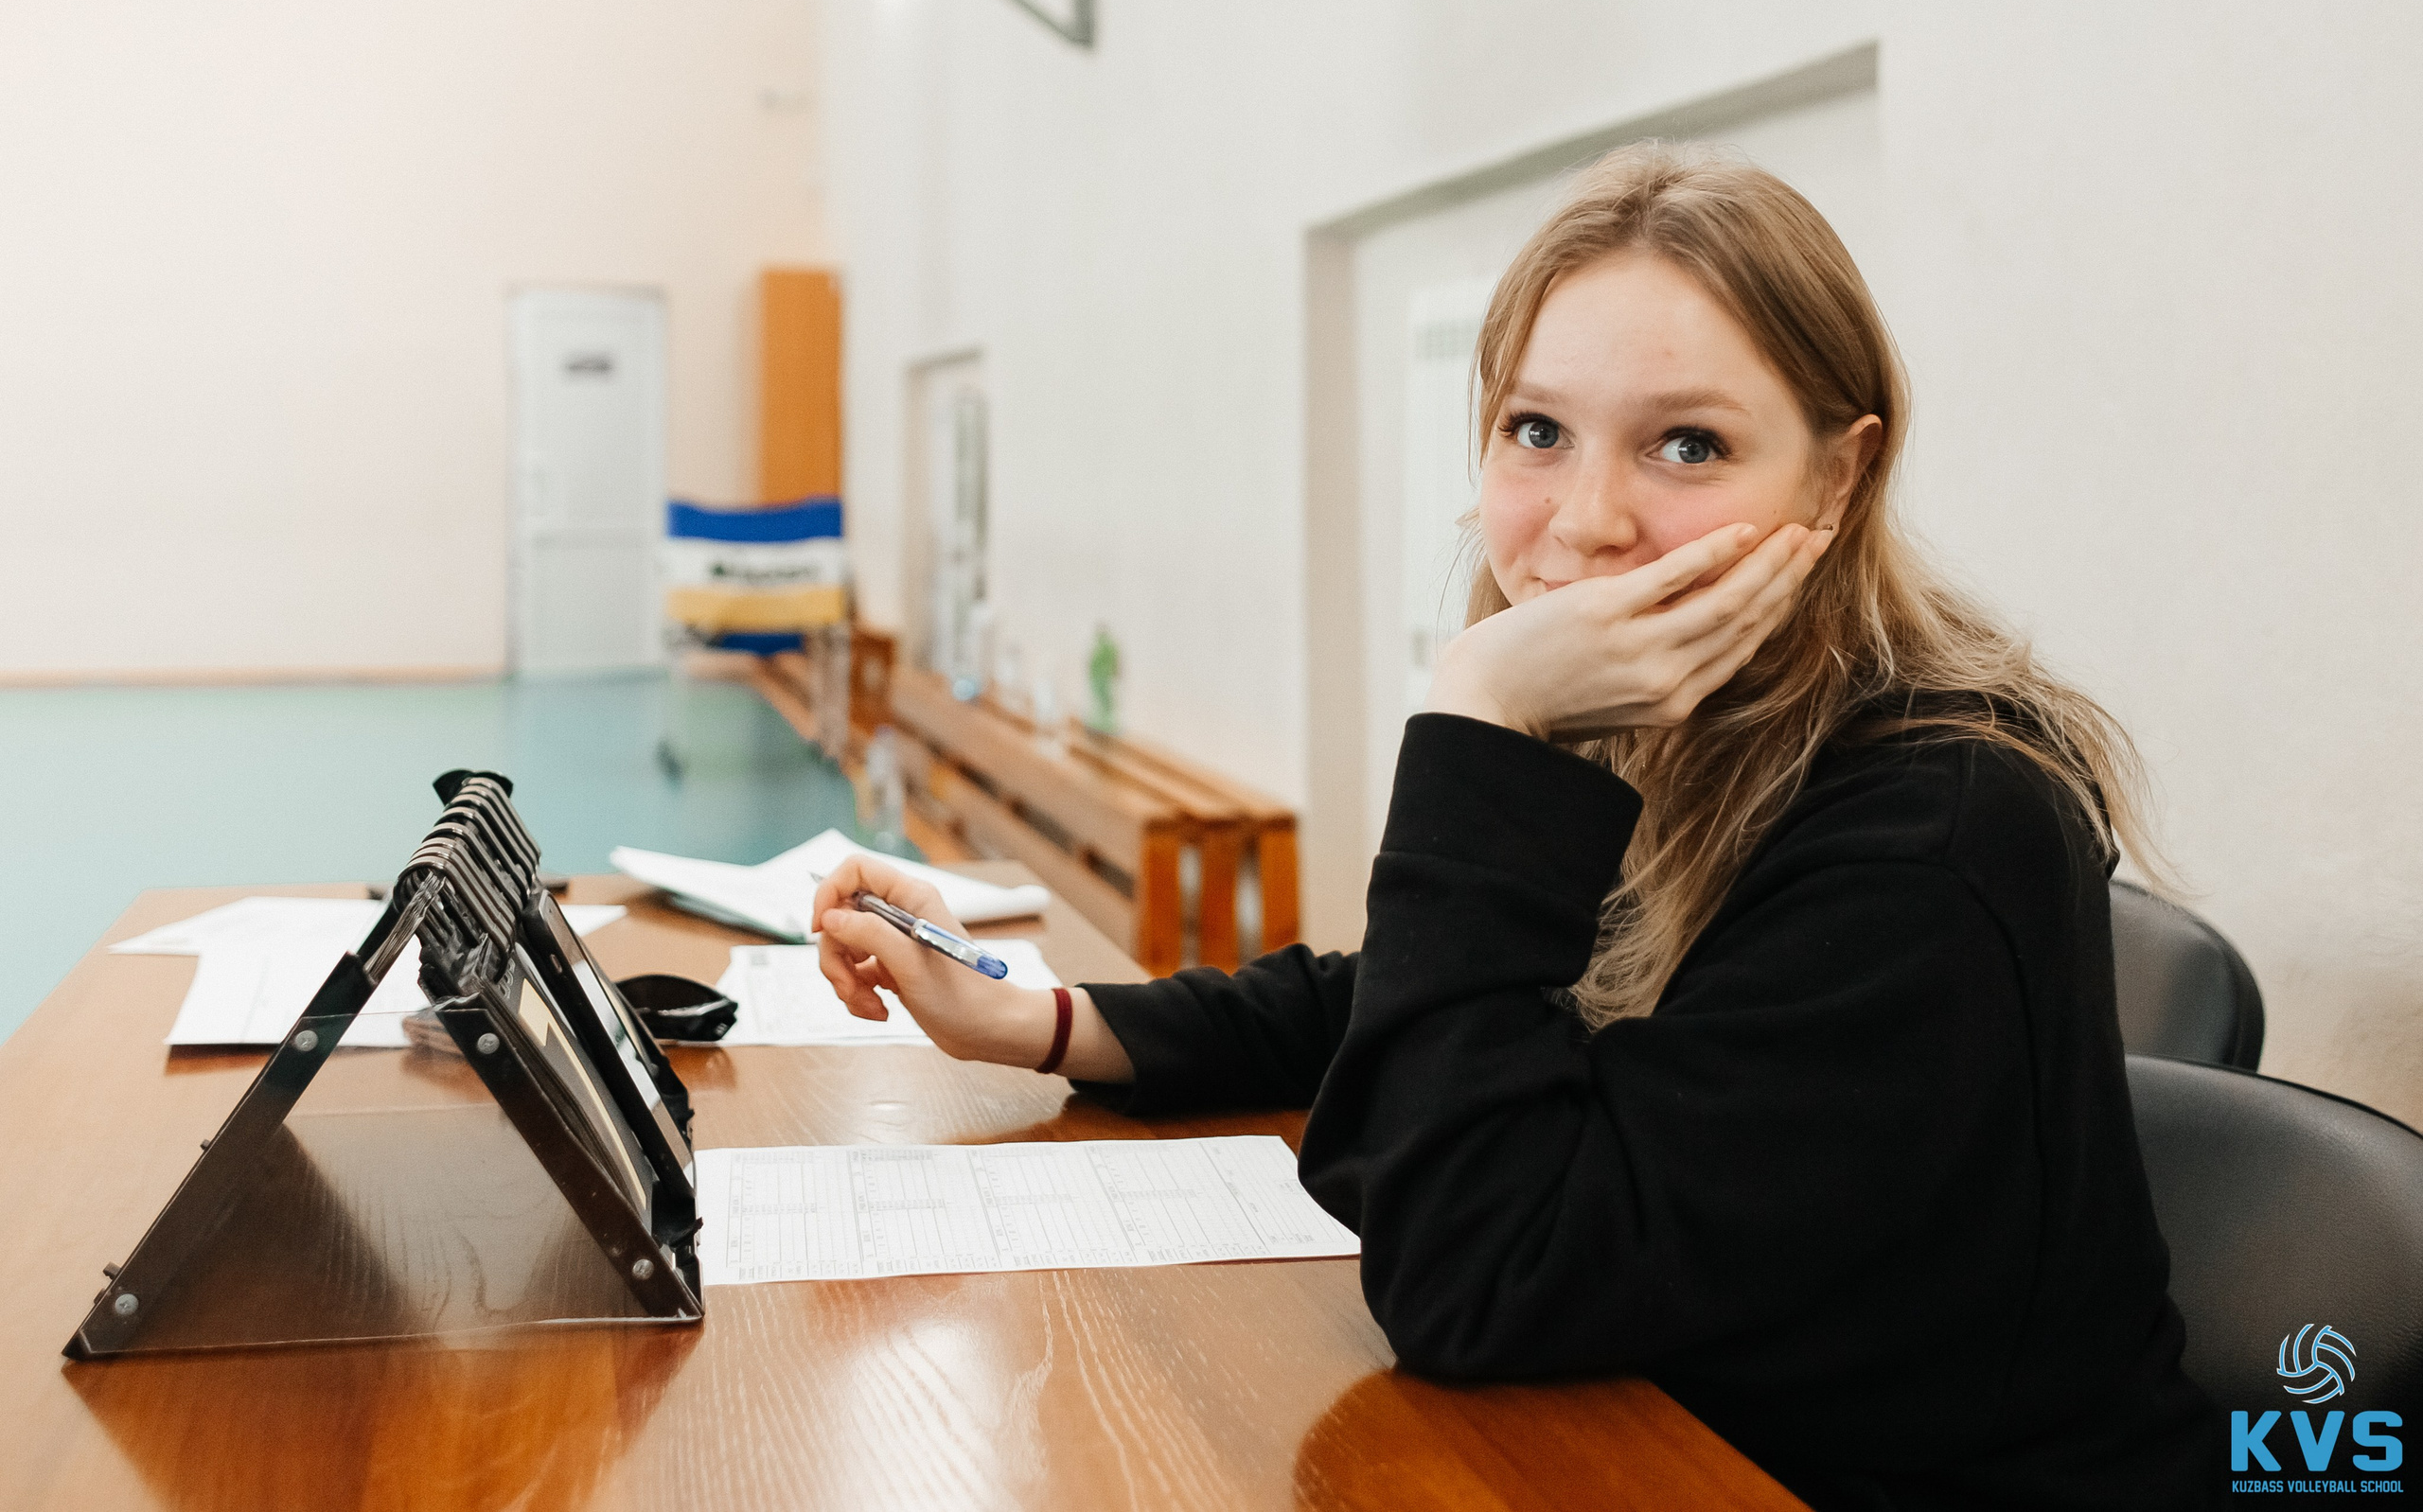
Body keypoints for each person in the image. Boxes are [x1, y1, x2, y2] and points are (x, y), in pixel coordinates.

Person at [810, 143, 2222, 1511]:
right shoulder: (1698, 728)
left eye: (1688, 444)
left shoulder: (1935, 831)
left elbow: (1473, 1268)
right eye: (1537, 431)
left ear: (1838, 479)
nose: (1587, 521)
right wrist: (1046, 1021)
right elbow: (1428, 1001)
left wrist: (1481, 724)